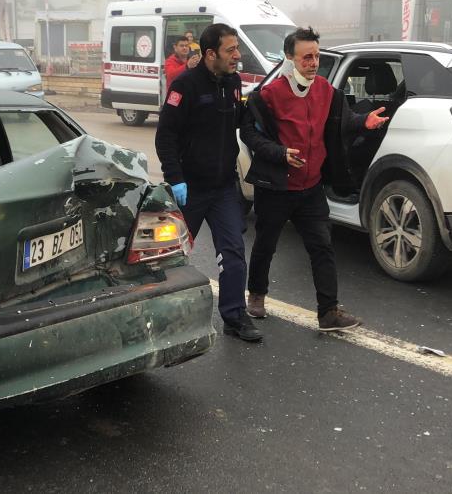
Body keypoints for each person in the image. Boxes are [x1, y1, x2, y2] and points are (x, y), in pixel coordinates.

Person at [239, 26, 388, 331]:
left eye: (317, 56)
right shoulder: (268, 95)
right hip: (277, 187)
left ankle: (328, 312)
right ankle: (256, 295)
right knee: (266, 244)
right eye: (306, 57)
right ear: (289, 58)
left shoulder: (327, 92)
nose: (313, 62)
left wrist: (365, 122)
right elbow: (249, 133)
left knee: (322, 247)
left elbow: (344, 123)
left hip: (311, 188)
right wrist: (280, 153)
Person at [155, 23, 262, 342]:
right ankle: (160, 317)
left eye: (237, 49)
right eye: (231, 50)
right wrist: (175, 179)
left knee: (232, 253)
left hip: (223, 188)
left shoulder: (232, 82)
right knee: (171, 255)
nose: (237, 55)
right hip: (190, 189)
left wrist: (258, 112)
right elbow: (166, 136)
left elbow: (239, 121)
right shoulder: (185, 85)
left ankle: (234, 316)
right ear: (211, 53)